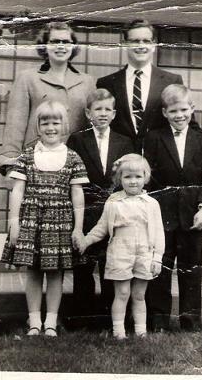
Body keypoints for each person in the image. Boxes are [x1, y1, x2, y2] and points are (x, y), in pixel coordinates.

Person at [0, 100, 89, 336]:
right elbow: (17, 190)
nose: (51, 127)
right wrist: (14, 222)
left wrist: (78, 228)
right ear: (38, 126)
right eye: (45, 122)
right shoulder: (27, 156)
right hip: (31, 220)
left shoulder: (72, 157)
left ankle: (50, 321)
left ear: (64, 125)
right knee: (33, 271)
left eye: (56, 122)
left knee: (55, 272)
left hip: (60, 221)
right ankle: (34, 321)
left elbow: (78, 195)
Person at [97, 19, 202, 174]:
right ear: (125, 44)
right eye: (135, 41)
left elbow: (191, 124)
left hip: (160, 168)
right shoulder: (107, 83)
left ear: (154, 45)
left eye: (146, 41)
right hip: (120, 166)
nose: (141, 45)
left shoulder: (171, 80)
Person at [144, 84, 202, 332]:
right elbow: (148, 178)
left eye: (184, 109)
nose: (179, 115)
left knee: (191, 271)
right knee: (160, 270)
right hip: (161, 216)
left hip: (192, 216)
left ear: (192, 109)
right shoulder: (154, 138)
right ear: (164, 112)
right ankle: (158, 322)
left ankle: (190, 323)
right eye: (173, 111)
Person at [77, 154, 165, 339]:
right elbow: (102, 227)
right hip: (120, 252)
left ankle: (141, 331)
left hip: (144, 253)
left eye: (138, 177)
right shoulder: (114, 202)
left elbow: (158, 233)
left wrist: (157, 258)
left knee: (139, 294)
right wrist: (86, 240)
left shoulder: (152, 204)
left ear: (146, 177)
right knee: (122, 293)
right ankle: (119, 332)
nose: (133, 181)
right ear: (120, 179)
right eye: (127, 177)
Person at [67, 89, 134, 316]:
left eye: (107, 109)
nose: (103, 114)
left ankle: (108, 315)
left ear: (114, 114)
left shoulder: (124, 142)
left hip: (114, 212)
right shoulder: (78, 139)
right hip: (86, 211)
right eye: (98, 109)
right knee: (84, 265)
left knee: (110, 264)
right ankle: (82, 316)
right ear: (88, 113)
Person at [0, 21, 95, 176]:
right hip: (36, 162)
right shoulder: (27, 78)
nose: (61, 46)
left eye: (66, 42)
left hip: (75, 165)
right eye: (55, 41)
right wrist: (10, 166)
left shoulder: (88, 82)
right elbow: (15, 126)